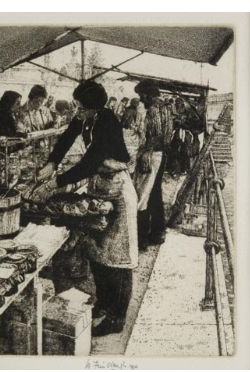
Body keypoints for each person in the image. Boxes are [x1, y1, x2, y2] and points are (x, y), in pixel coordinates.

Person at [36, 80, 138, 336]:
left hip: (117, 191)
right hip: (101, 188)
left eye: (80, 108)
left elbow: (90, 162)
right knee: (99, 255)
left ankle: (116, 319)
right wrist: (51, 163)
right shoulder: (86, 119)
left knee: (119, 260)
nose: (77, 112)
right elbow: (67, 136)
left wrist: (55, 184)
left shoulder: (107, 122)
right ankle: (104, 304)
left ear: (93, 108)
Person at [133, 79, 173, 250]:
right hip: (161, 154)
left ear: (147, 94)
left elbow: (156, 135)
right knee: (155, 194)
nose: (141, 100)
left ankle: (141, 240)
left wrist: (143, 151)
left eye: (141, 96)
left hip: (152, 154)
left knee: (142, 196)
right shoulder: (166, 107)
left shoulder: (154, 109)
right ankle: (158, 233)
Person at [121, 98, 144, 175]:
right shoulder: (137, 114)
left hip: (124, 136)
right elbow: (139, 129)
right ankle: (130, 173)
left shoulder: (126, 111)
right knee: (132, 158)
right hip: (132, 139)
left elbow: (123, 124)